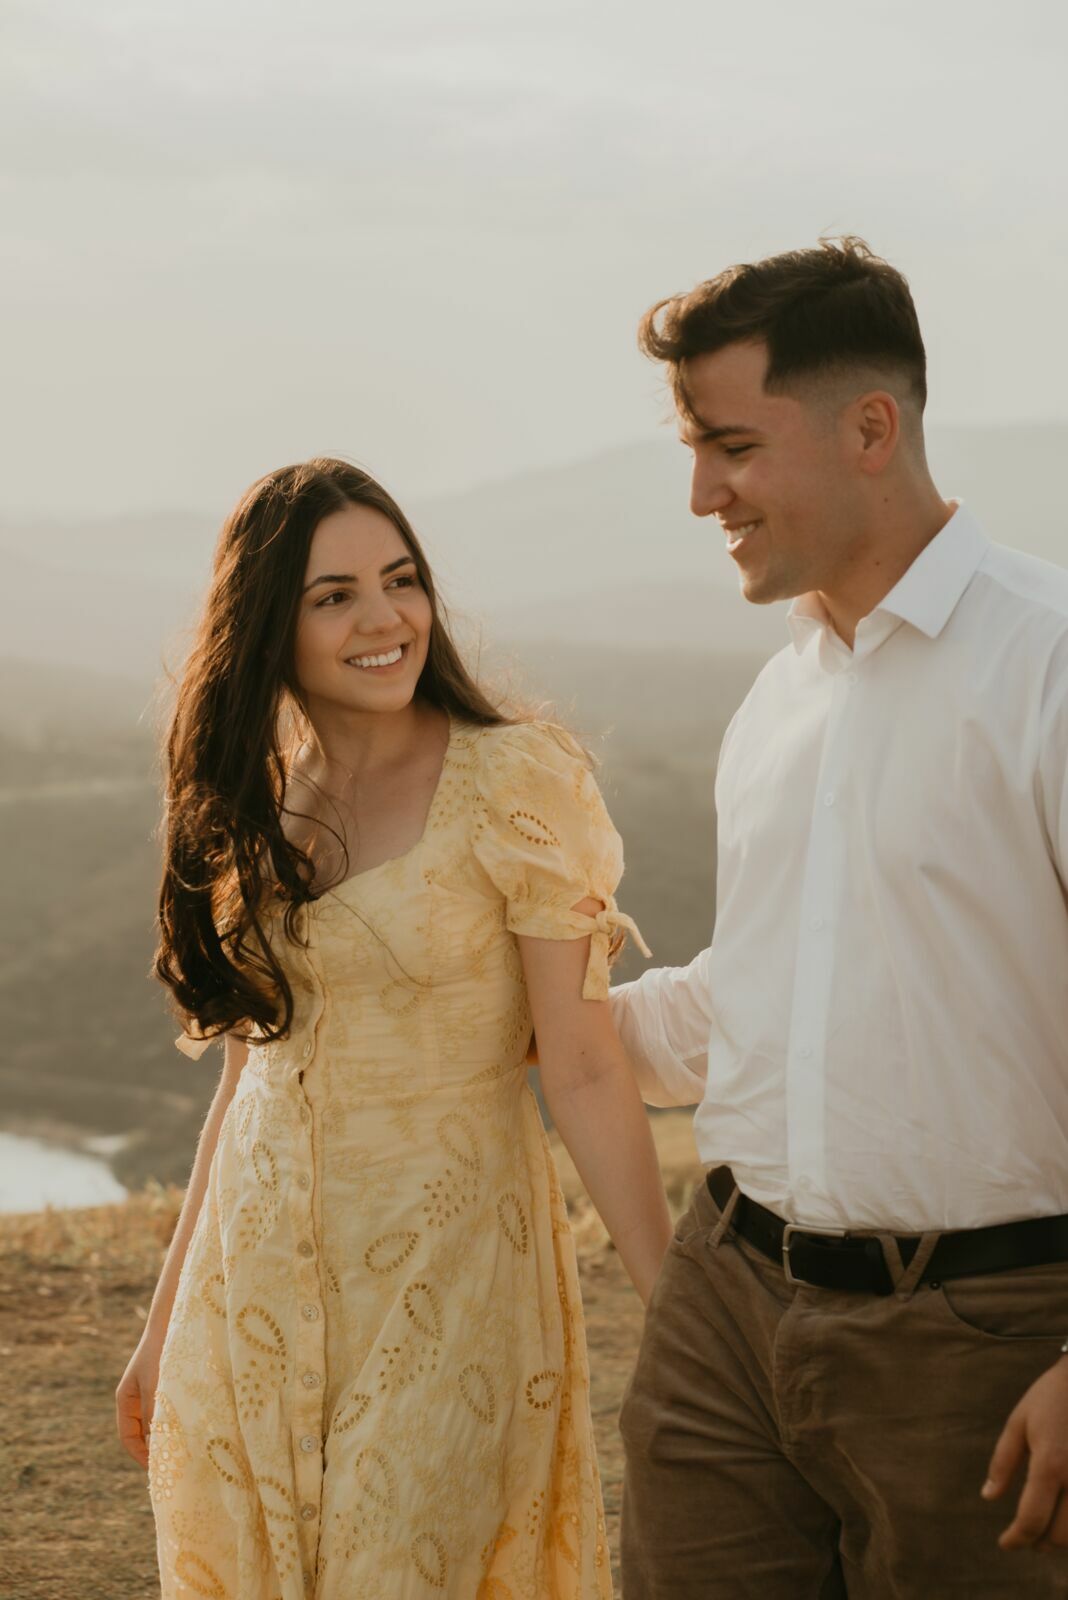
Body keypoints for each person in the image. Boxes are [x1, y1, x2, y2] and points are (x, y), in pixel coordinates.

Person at [115, 458, 672, 1599]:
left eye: (401, 579)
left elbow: (580, 1062)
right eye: (335, 595)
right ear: (274, 623)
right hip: (255, 1281)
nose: (385, 618)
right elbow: (245, 1081)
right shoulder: (262, 800)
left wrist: (676, 1308)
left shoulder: (514, 780)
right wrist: (163, 1322)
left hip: (453, 1280)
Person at [609, 238, 1068, 1598]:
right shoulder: (780, 699)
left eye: (732, 444)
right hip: (725, 1316)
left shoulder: (1047, 664)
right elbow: (753, 1002)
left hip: (981, 1343)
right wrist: (492, 1004)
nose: (702, 494)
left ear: (872, 428)